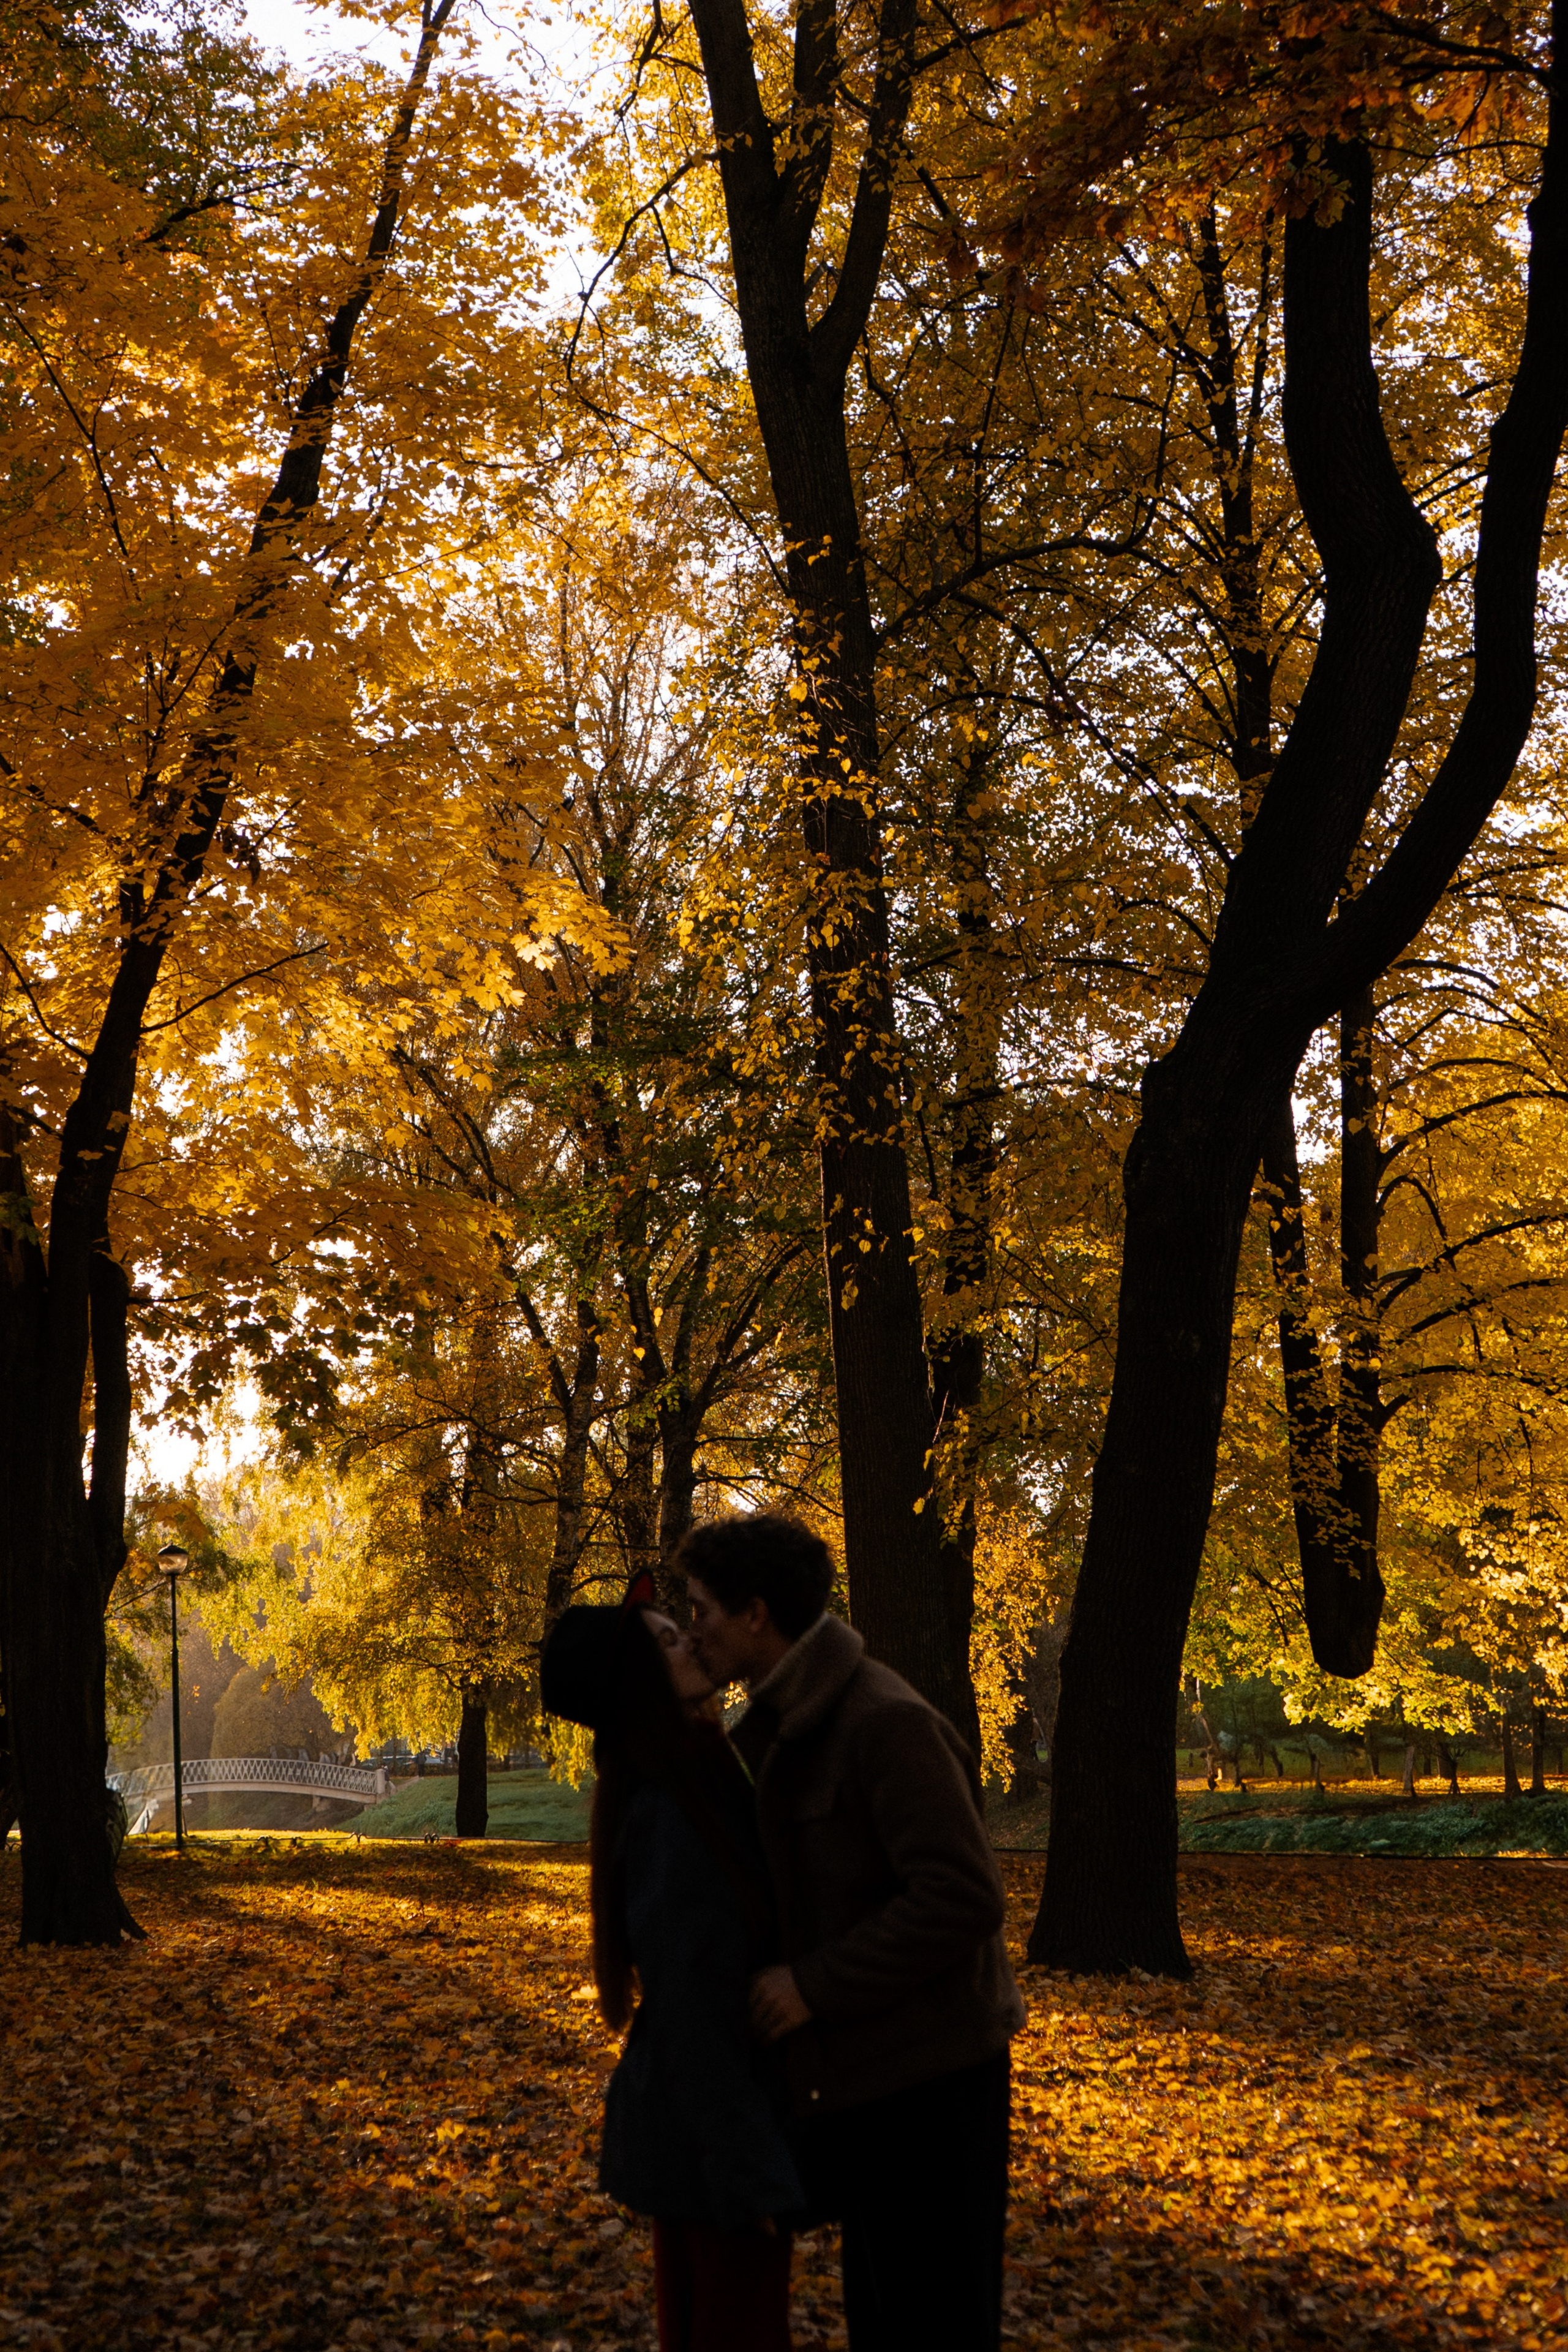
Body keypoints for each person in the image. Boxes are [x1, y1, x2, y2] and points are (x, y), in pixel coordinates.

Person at [680, 1513, 1024, 2352]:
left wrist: (813, 1985)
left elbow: (962, 1896)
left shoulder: (882, 1721)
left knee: (935, 2322)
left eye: (701, 1611)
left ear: (755, 1614)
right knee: (885, 2316)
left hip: (936, 2085)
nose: (693, 1632)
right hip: (870, 2079)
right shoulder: (793, 1722)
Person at [540, 1571, 802, 2352]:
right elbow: (693, 2008)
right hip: (712, 2156)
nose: (688, 1639)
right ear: (642, 1684)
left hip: (708, 2144)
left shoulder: (696, 1775)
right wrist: (745, 2172)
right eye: (666, 1639)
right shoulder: (667, 1814)